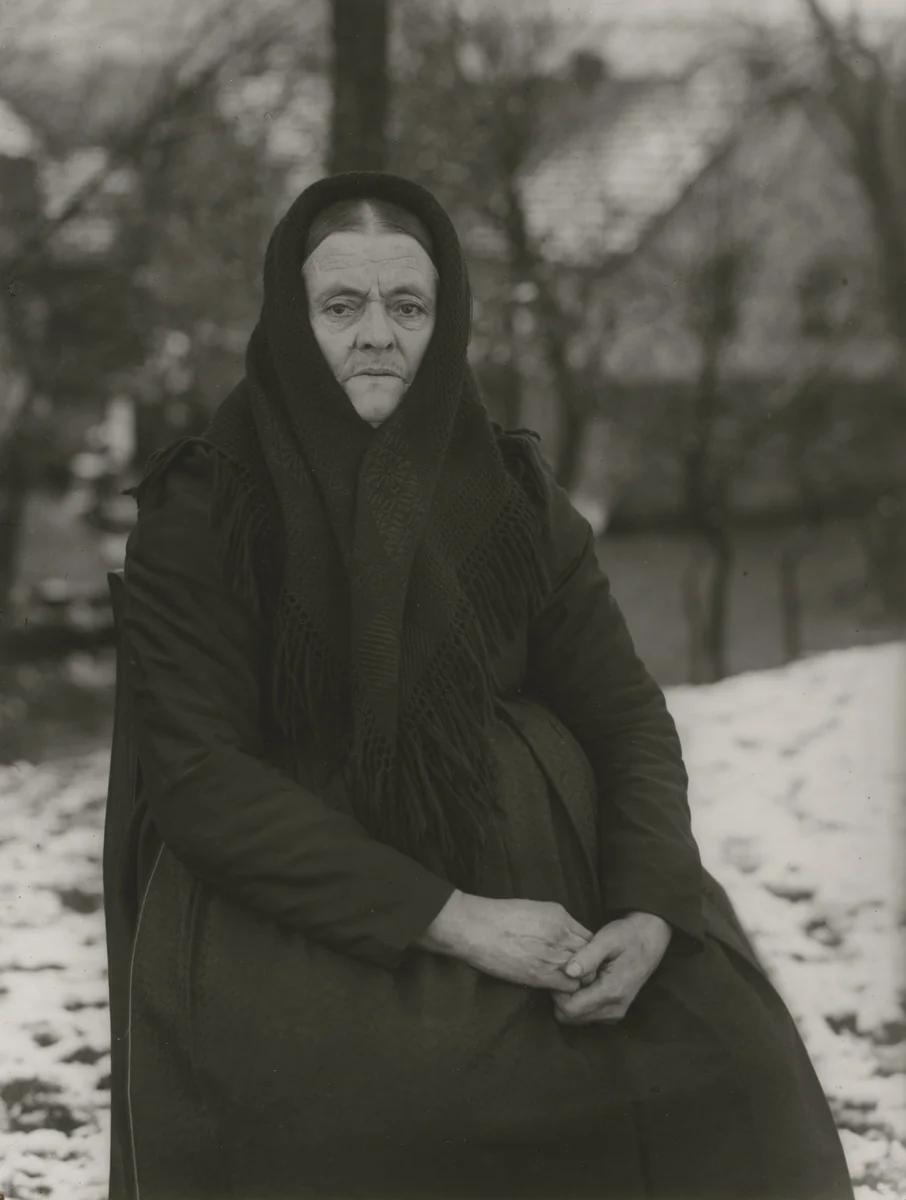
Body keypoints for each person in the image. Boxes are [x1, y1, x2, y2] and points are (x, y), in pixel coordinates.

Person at [104, 171, 853, 1200]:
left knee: (739, 1074)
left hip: (559, 902)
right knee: (402, 1125)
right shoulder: (207, 505)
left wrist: (650, 909)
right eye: (342, 307)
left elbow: (624, 713)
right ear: (289, 315)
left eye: (408, 307)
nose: (378, 336)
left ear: (444, 322)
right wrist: (453, 917)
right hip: (306, 919)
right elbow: (199, 778)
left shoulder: (510, 490)